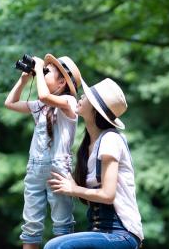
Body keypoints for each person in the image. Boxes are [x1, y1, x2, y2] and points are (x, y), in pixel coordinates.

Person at [44, 78, 143, 249]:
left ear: (97, 109)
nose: (82, 96)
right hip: (100, 231)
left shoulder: (110, 139)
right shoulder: (88, 145)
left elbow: (108, 195)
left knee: (56, 247)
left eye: (88, 96)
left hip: (121, 233)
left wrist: (74, 189)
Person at [4, 54, 83, 248]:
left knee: (62, 224)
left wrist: (39, 69)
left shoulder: (69, 102)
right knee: (31, 226)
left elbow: (43, 95)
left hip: (58, 168)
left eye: (48, 72)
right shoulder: (41, 106)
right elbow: (10, 103)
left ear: (62, 81)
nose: (43, 73)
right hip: (35, 168)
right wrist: (23, 80)